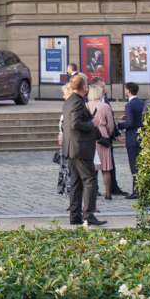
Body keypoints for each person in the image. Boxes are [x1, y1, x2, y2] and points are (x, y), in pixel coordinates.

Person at [63, 74, 105, 226]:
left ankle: (75, 215)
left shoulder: (69, 101)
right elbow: (75, 124)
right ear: (84, 87)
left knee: (76, 182)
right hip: (80, 148)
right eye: (86, 85)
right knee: (90, 180)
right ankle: (89, 215)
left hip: (71, 147)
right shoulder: (78, 103)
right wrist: (93, 124)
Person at [88, 80, 117, 201]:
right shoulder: (105, 106)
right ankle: (108, 193)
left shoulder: (86, 105)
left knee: (92, 167)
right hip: (102, 134)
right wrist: (108, 133)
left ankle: (93, 192)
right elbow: (110, 125)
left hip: (90, 135)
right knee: (106, 167)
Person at [118, 82, 146, 198]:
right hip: (142, 137)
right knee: (142, 165)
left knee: (134, 166)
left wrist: (120, 125)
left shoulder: (129, 105)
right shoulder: (142, 103)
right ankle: (144, 189)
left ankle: (136, 191)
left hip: (132, 139)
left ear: (128, 90)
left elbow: (130, 123)